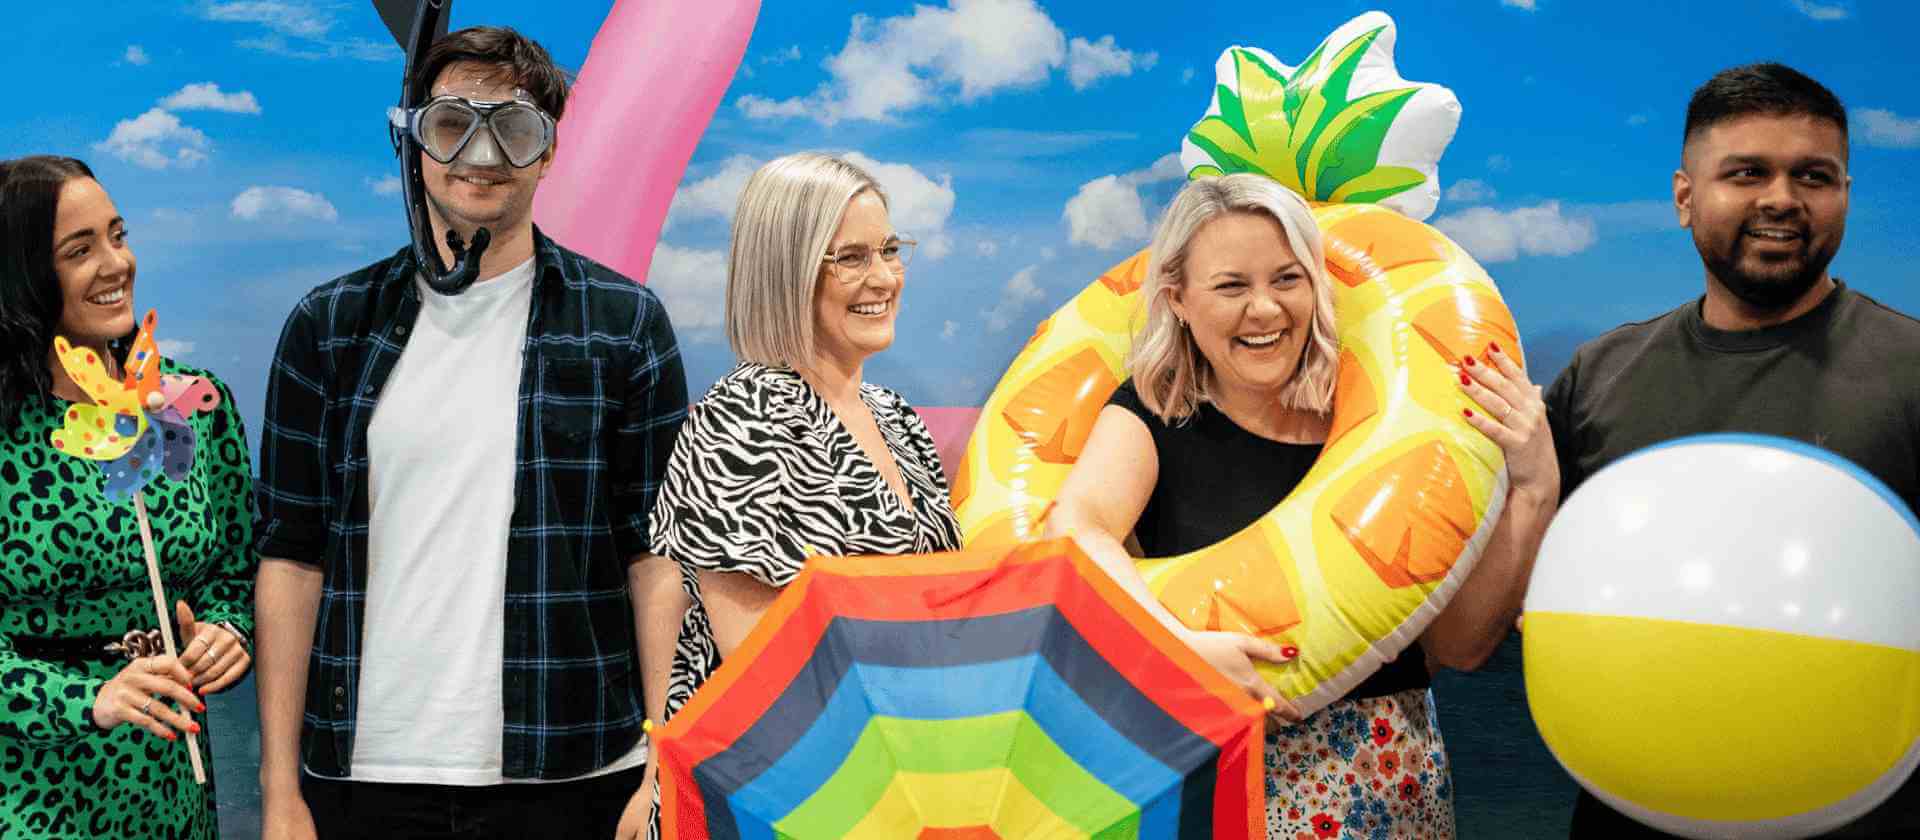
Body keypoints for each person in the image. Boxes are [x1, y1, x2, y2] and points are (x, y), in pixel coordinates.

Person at [251, 27, 689, 840]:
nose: (481, 152)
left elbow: (655, 553)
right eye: (453, 123)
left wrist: (662, 761)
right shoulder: (331, 325)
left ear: (549, 152)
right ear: (412, 139)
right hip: (368, 771)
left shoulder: (623, 324)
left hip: (574, 766)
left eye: (515, 128)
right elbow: (290, 556)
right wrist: (280, 790)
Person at [1044, 173, 1559, 839]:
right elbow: (1075, 527)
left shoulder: (1378, 414)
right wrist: (1174, 651)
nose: (1264, 309)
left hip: (1394, 781)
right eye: (1232, 286)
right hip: (1227, 776)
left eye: (1287, 279)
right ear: (1178, 298)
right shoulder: (1156, 409)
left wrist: (1535, 487)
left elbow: (1459, 648)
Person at [1525, 62, 1920, 838]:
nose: (1782, 197)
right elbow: (1528, 602)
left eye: (1815, 175)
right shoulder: (1599, 376)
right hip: (1629, 815)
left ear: (1844, 195)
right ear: (1684, 197)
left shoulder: (1911, 371)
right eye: (1747, 172)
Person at [633, 152, 964, 835]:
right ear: (786, 269)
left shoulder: (898, 419)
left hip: (897, 791)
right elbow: (765, 669)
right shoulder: (744, 415)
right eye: (849, 258)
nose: (883, 278)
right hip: (784, 801)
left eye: (890, 250)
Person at [0, 155, 255, 838]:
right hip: (30, 797)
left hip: (173, 781)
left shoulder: (193, 404)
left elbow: (235, 566)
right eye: (79, 250)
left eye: (117, 235)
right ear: (22, 273)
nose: (116, 264)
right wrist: (90, 698)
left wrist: (229, 633)